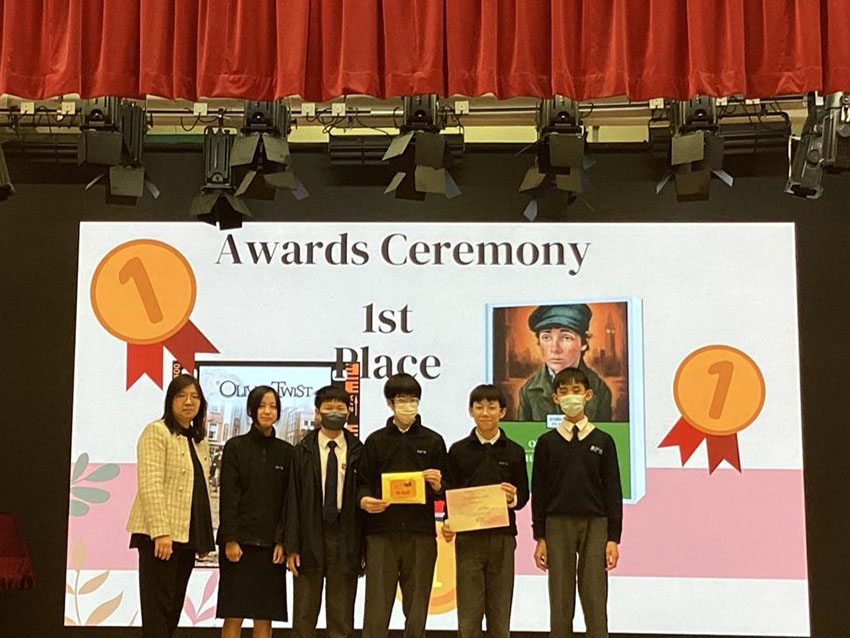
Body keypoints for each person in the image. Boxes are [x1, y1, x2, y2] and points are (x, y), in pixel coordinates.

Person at [531, 367, 622, 638]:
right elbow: (539, 491)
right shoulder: (547, 443)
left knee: (595, 595)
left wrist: (613, 538)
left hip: (596, 524)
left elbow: (613, 491)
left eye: (576, 391)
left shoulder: (603, 441)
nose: (570, 396)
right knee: (560, 596)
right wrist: (540, 536)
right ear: (555, 398)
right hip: (557, 524)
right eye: (564, 392)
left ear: (588, 395)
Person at [357, 373, 447, 638]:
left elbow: (447, 490)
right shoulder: (375, 441)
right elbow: (363, 483)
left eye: (413, 400)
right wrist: (364, 500)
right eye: (401, 400)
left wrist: (438, 485)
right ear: (390, 403)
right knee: (377, 607)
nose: (408, 405)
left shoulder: (433, 441)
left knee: (417, 607)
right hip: (381, 533)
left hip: (421, 533)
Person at [126, 374, 215, 638]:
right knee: (158, 609)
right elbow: (150, 484)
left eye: (195, 397)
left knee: (173, 608)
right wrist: (161, 533)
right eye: (182, 396)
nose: (189, 402)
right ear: (170, 400)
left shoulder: (198, 439)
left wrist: (203, 538)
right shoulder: (157, 431)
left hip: (186, 537)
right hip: (159, 537)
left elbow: (200, 490)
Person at [441, 384, 529, 638]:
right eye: (479, 407)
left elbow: (523, 495)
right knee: (469, 615)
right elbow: (449, 491)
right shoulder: (458, 450)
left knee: (500, 614)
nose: (485, 413)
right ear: (471, 411)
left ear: (502, 411)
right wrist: (448, 521)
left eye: (491, 407)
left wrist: (512, 498)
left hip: (502, 538)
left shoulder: (514, 451)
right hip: (468, 538)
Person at [285, 385, 364, 638]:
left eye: (340, 408)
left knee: (341, 616)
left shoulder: (359, 451)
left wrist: (363, 549)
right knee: (304, 614)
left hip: (345, 536)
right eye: (329, 407)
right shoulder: (301, 451)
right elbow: (292, 501)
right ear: (317, 412)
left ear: (349, 412)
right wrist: (291, 546)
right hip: (309, 534)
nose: (335, 412)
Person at [216, 385, 292, 638]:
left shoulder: (287, 452)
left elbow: (287, 501)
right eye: (262, 406)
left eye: (273, 406)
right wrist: (230, 538)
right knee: (233, 613)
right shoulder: (235, 447)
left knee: (264, 615)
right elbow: (229, 496)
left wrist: (282, 540)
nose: (267, 411)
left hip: (271, 548)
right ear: (251, 410)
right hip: (238, 546)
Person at [517, 304, 612, 423]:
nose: (555, 349)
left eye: (566, 338)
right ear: (539, 342)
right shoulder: (528, 390)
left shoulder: (599, 389)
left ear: (583, 343)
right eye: (546, 338)